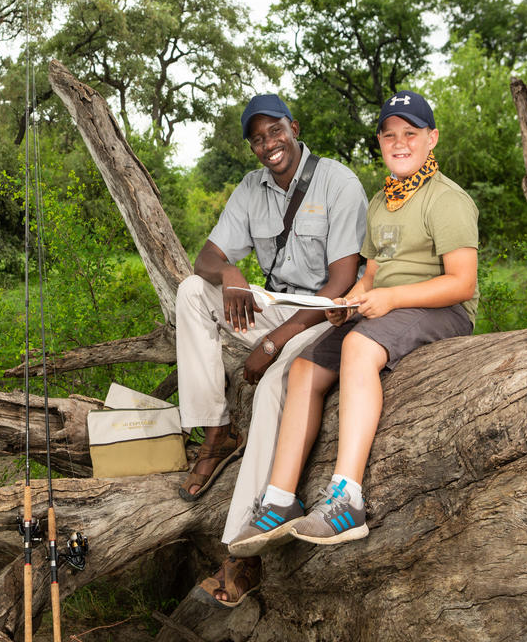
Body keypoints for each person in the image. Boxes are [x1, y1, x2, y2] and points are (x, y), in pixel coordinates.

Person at [224, 90, 478, 574]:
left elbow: (461, 282)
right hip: (386, 308)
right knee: (303, 367)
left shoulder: (446, 199)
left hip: (441, 309)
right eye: (390, 135)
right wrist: (348, 301)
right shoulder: (382, 201)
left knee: (359, 348)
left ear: (431, 139)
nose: (399, 143)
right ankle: (280, 500)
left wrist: (389, 299)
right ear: (380, 142)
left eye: (411, 134)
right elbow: (371, 275)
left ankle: (347, 499)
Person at [176, 94, 368, 606]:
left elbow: (342, 282)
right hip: (274, 304)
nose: (268, 144)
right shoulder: (250, 188)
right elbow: (205, 258)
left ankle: (243, 551)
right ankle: (215, 432)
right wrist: (231, 272)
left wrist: (272, 342)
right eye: (257, 138)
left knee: (271, 391)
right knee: (192, 291)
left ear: (294, 128)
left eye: (275, 131)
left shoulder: (338, 182)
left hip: (323, 315)